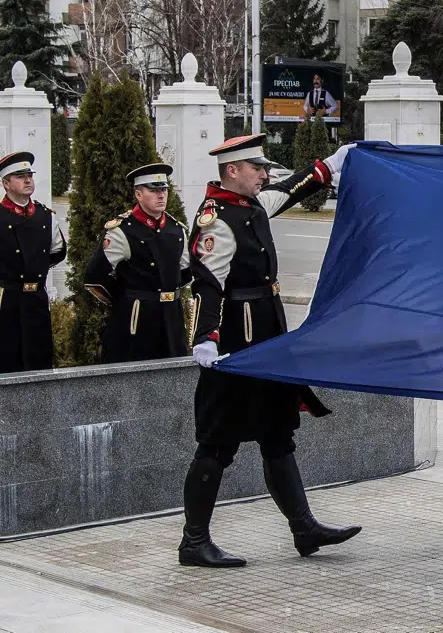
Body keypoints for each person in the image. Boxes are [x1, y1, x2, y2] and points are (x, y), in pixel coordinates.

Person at [179, 134, 358, 568]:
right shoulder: (214, 220)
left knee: (278, 434)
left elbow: (288, 188)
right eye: (256, 168)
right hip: (234, 343)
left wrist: (327, 167)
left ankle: (303, 528)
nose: (264, 174)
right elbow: (207, 283)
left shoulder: (250, 205)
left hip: (268, 332)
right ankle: (194, 542)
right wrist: (205, 337)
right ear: (232, 171)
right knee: (217, 442)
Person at [83, 163, 192, 363]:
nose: (161, 195)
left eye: (164, 190)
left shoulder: (177, 230)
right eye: (154, 190)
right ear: (138, 194)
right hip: (136, 319)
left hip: (171, 319)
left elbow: (185, 272)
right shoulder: (123, 231)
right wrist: (126, 297)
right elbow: (95, 276)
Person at [0, 151, 66, 374]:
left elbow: (57, 251)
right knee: (9, 361)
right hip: (7, 299)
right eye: (20, 176)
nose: (28, 180)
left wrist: (34, 266)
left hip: (36, 297)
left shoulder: (45, 216)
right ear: (6, 184)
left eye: (29, 175)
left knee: (39, 360)